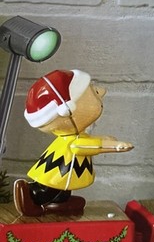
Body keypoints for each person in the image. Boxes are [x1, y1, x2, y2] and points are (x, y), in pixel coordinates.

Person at [13, 69, 133, 217]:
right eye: (92, 92)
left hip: (67, 172)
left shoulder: (75, 137)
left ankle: (60, 202)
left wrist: (108, 139)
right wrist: (114, 146)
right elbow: (87, 146)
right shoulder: (74, 142)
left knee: (63, 189)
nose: (100, 92)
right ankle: (31, 196)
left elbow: (91, 141)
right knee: (51, 188)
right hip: (59, 170)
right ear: (68, 110)